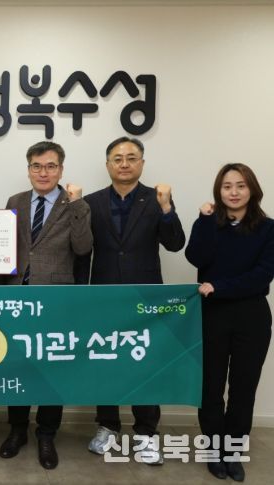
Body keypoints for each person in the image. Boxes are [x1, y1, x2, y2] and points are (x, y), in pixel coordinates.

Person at [75, 136, 185, 465]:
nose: (124, 164)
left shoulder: (157, 199)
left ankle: (147, 433)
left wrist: (167, 208)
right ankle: (108, 425)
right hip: (104, 295)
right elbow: (83, 253)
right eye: (118, 158)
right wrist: (81, 294)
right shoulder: (92, 202)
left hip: (145, 298)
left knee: (146, 364)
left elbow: (175, 243)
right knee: (106, 361)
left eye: (131, 157)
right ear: (107, 164)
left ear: (142, 163)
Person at [0, 141, 92, 469]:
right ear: (29, 170)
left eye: (51, 166)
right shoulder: (16, 201)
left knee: (51, 371)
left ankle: (46, 434)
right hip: (16, 299)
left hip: (55, 301)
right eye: (37, 166)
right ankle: (17, 430)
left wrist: (77, 205)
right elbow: (2, 248)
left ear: (61, 170)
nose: (43, 172)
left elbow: (83, 247)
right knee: (18, 367)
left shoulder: (75, 204)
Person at [185, 163, 274, 482]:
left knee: (243, 387)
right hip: (212, 314)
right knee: (210, 386)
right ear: (218, 191)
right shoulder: (209, 222)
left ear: (252, 189)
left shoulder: (268, 228)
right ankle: (213, 450)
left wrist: (220, 286)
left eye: (240, 185)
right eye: (226, 186)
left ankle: (233, 452)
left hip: (252, 315)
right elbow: (196, 258)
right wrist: (205, 221)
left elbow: (263, 275)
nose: (233, 192)